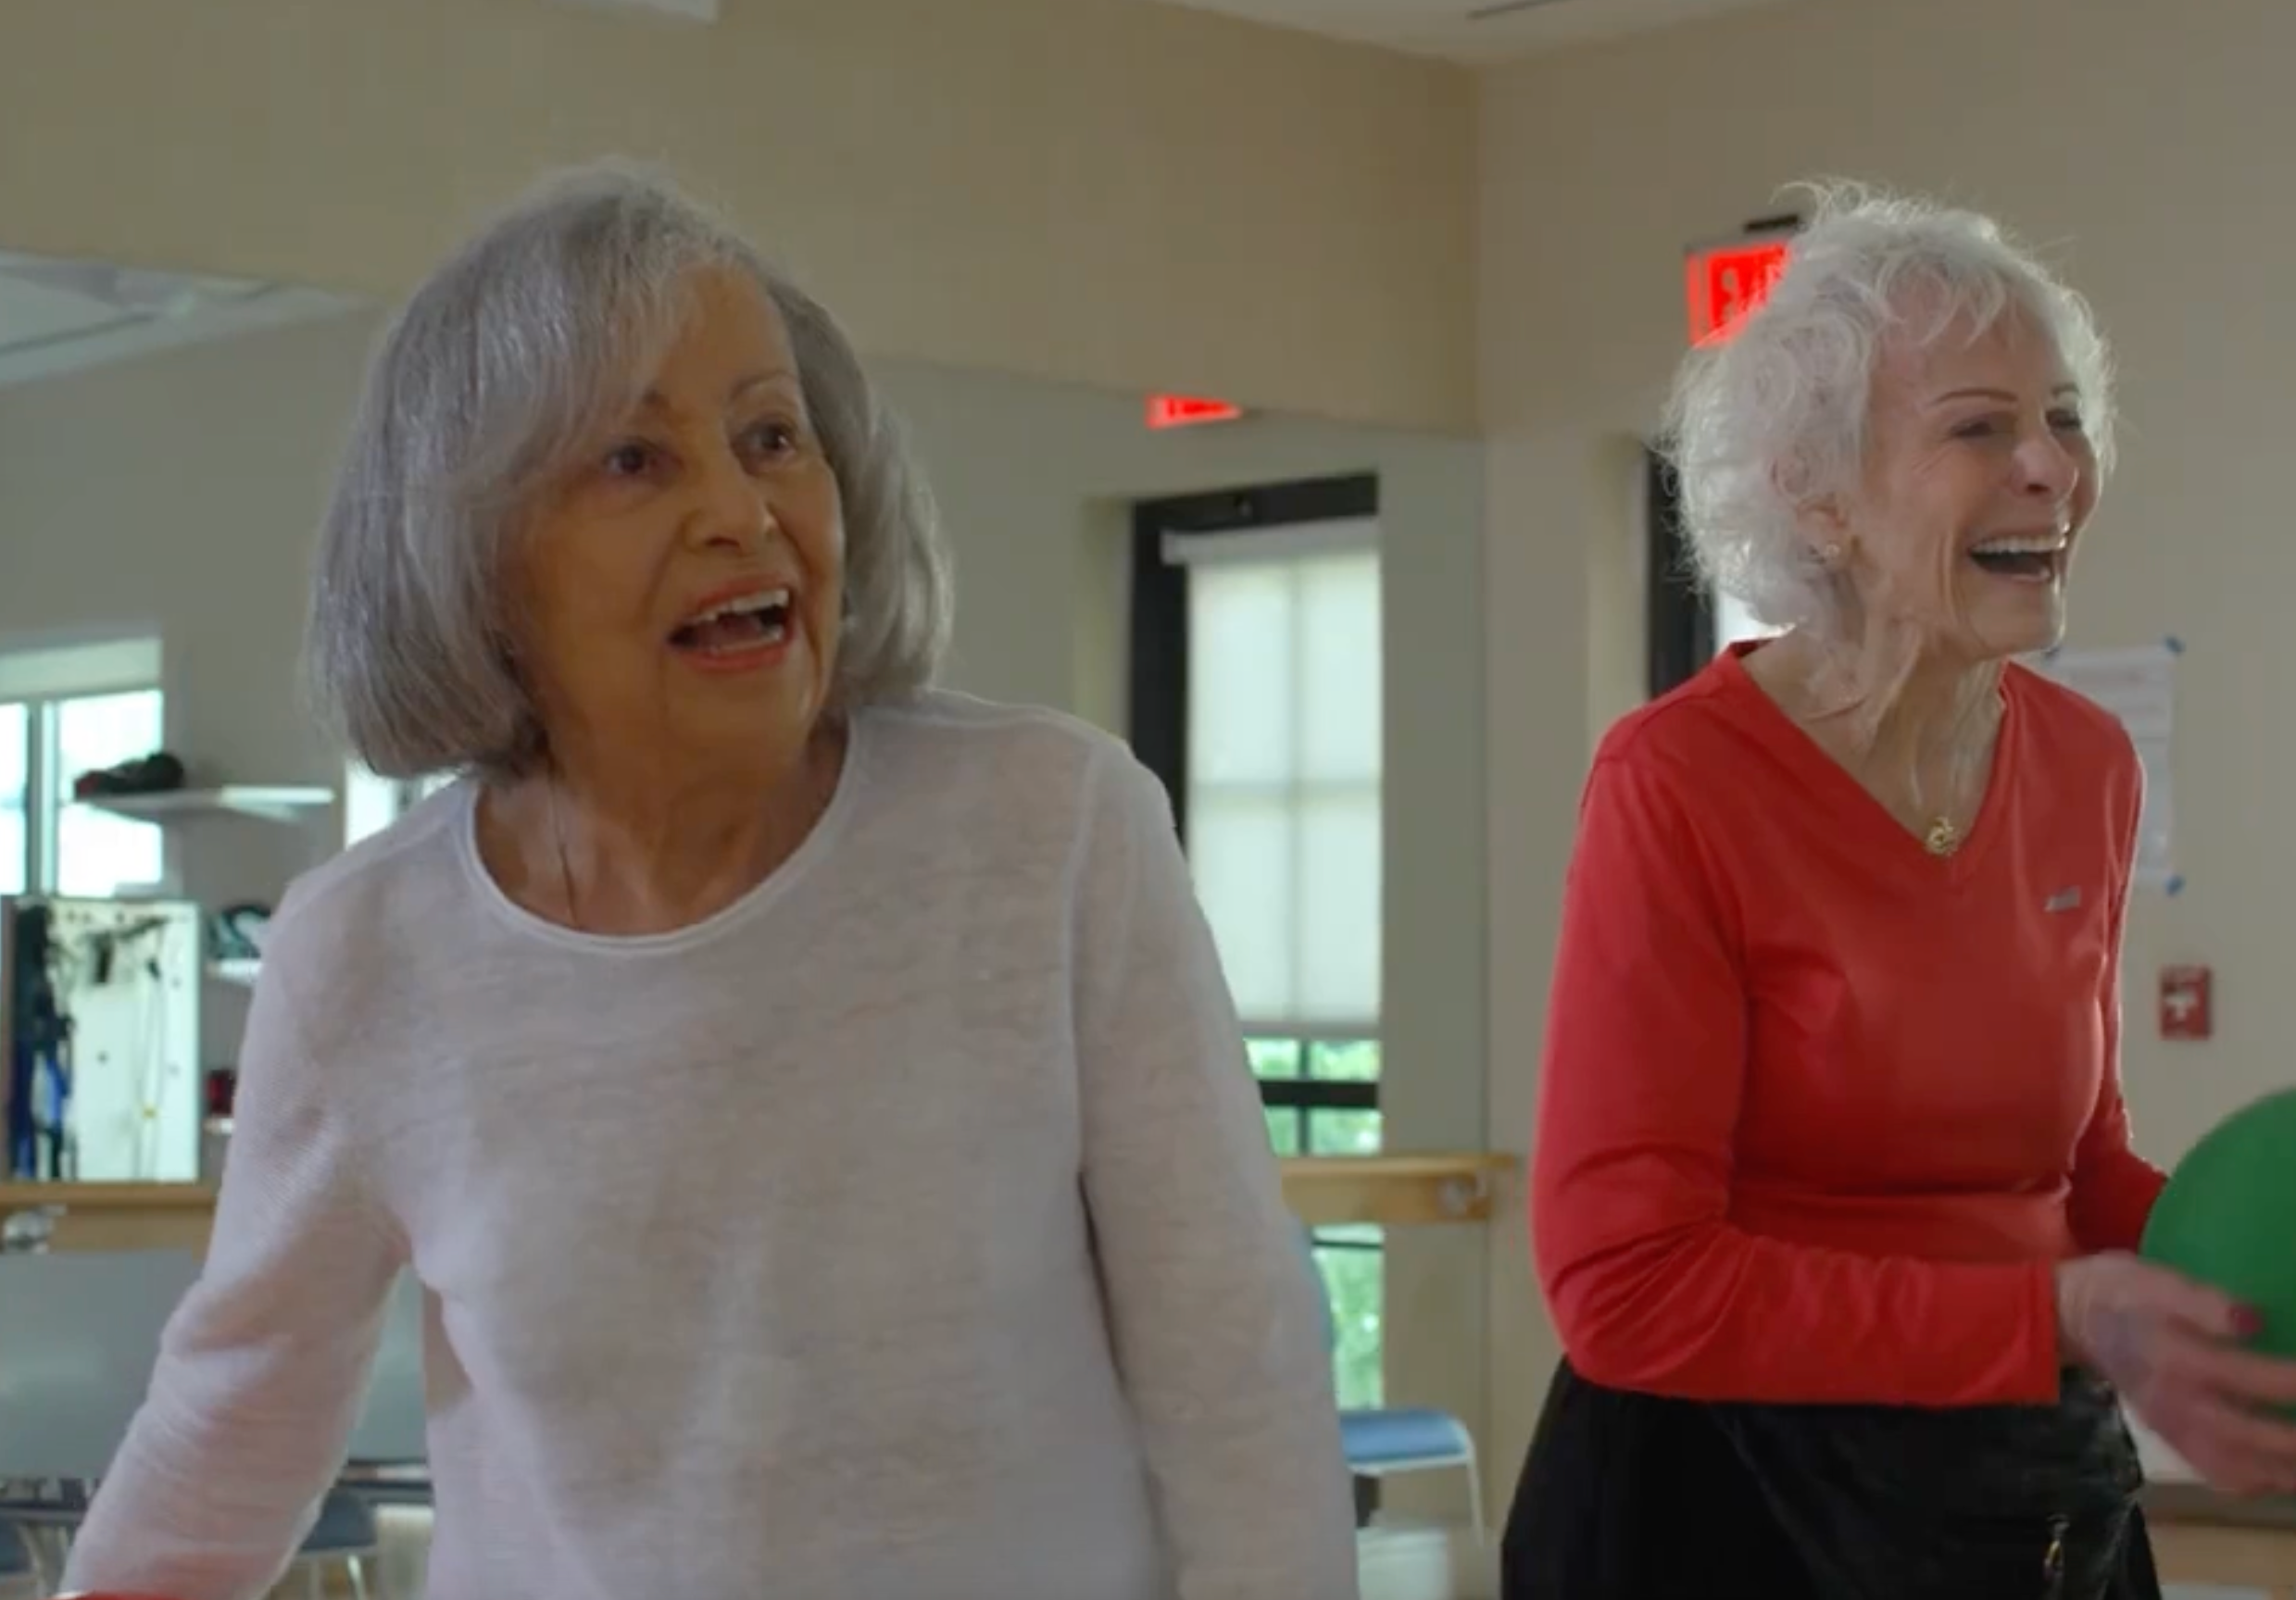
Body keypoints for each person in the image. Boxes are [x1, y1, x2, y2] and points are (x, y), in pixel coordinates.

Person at [60, 163, 1359, 1600]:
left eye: (772, 437)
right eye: (636, 459)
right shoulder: (368, 953)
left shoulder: (1049, 831)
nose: (743, 512)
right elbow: (226, 1431)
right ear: (477, 556)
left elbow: (1233, 1370)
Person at [1499, 181, 2296, 1599]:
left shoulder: (2083, 763)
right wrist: (2055, 1315)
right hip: (1727, 1511)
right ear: (1816, 496)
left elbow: (2074, 1172)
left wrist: (2289, 1261)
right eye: (1978, 426)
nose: (2052, 469)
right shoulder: (1679, 781)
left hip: (2021, 1496)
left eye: (2065, 418)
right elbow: (1624, 1289)